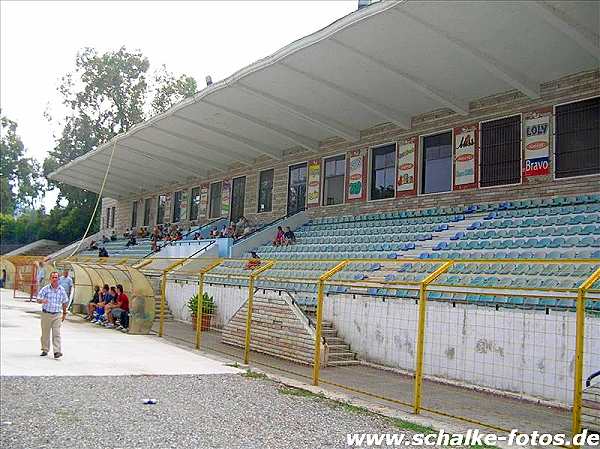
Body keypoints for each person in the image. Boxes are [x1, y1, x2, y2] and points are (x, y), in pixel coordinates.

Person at [36, 271, 69, 358]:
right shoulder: (45, 289)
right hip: (46, 314)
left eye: (56, 277)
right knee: (45, 333)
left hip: (57, 315)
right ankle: (45, 349)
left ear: (58, 279)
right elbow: (38, 298)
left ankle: (57, 351)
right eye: (53, 277)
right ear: (50, 279)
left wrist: (64, 313)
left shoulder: (62, 290)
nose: (54, 279)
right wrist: (42, 301)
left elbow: (65, 302)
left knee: (56, 333)